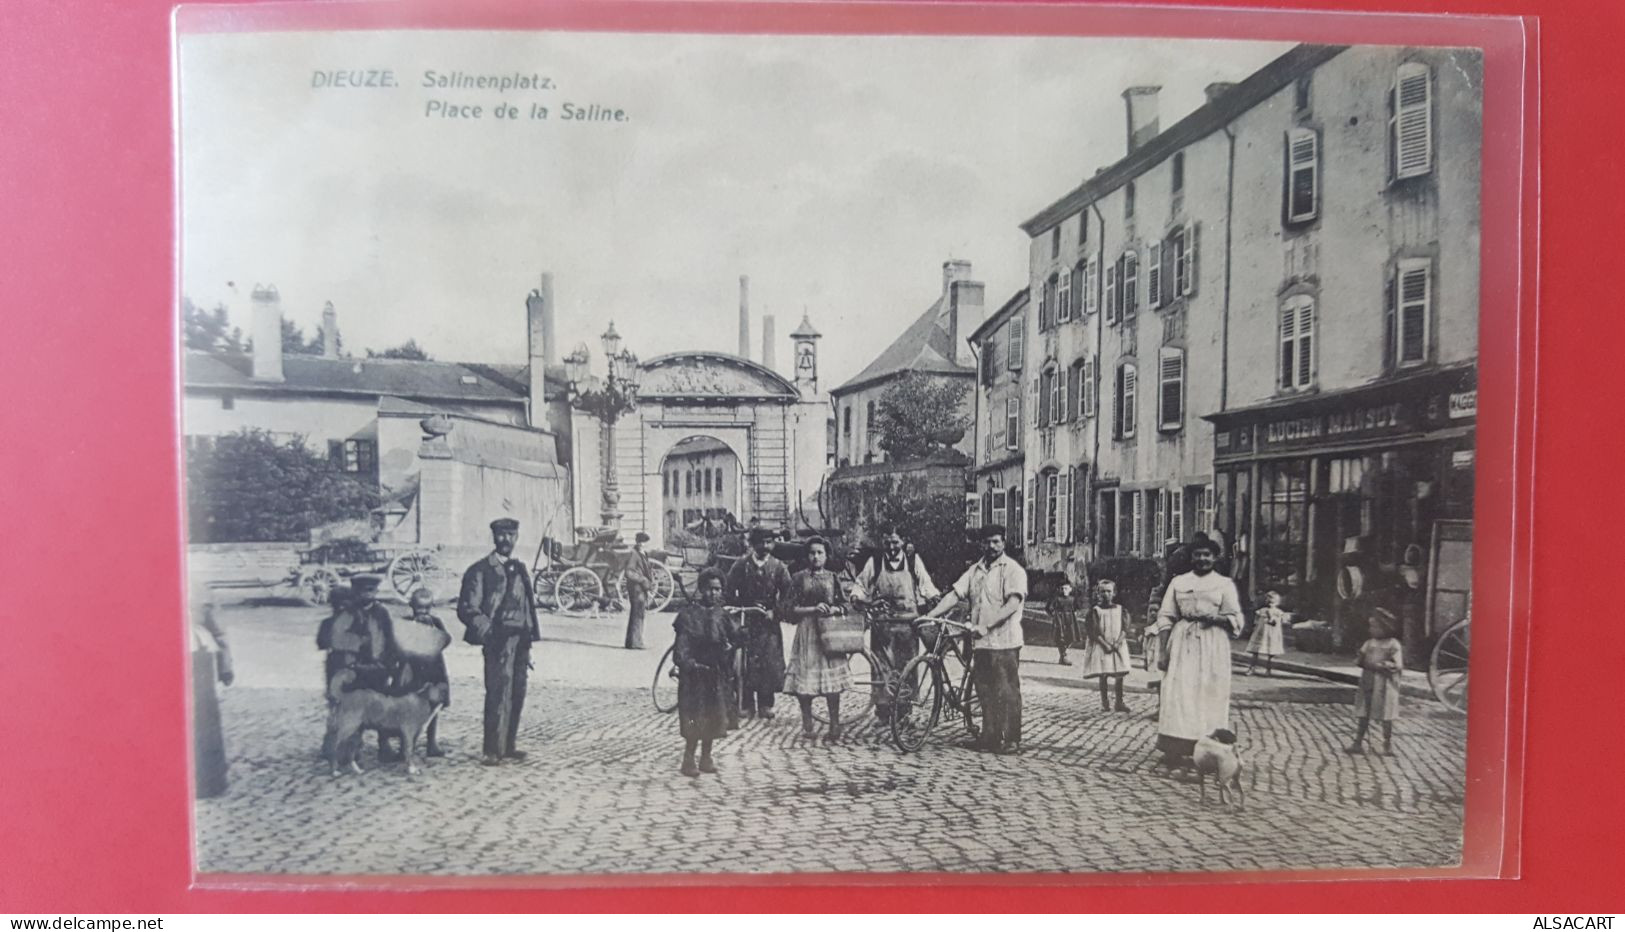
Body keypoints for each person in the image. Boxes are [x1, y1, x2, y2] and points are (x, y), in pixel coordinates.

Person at [922, 524, 1028, 755]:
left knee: (1007, 690)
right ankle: (989, 737)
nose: (991, 546)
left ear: (1004, 543)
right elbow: (955, 594)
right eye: (987, 542)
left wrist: (987, 625)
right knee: (984, 689)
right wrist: (930, 615)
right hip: (980, 642)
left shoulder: (1013, 570)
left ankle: (1012, 740)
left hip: (1004, 642)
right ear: (981, 544)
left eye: (996, 542)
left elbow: (1012, 604)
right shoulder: (975, 570)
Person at [1151, 536, 1243, 769]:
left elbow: (1236, 618)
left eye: (1207, 555)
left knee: (1209, 694)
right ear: (1191, 557)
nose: (1202, 559)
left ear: (1214, 557)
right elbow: (1165, 616)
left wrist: (1218, 618)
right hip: (1183, 641)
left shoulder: (1224, 584)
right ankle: (1174, 749)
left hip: (1214, 644)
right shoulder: (1179, 582)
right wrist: (1163, 651)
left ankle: (1207, 751)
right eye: (1197, 555)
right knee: (1179, 694)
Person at [457, 517, 542, 766]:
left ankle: (509, 746)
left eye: (511, 535)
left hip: (520, 641)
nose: (506, 540)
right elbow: (467, 608)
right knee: (498, 693)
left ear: (516, 538)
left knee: (517, 693)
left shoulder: (520, 568)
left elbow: (528, 607)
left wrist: (529, 642)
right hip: (497, 641)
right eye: (501, 535)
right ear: (494, 538)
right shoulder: (480, 570)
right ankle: (492, 750)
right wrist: (488, 633)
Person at [850, 528, 939, 721]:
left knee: (907, 666)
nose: (891, 547)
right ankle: (883, 710)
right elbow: (861, 584)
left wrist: (934, 597)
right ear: (883, 542)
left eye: (895, 542)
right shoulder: (874, 562)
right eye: (888, 542)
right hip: (882, 625)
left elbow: (926, 583)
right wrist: (859, 598)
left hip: (908, 624)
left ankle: (904, 710)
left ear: (903, 542)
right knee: (881, 667)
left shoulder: (913, 561)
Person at [781, 536, 852, 741]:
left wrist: (834, 609)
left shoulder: (832, 577)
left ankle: (835, 725)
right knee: (806, 681)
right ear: (807, 556)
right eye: (812, 553)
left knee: (832, 684)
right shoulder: (798, 578)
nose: (816, 557)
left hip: (829, 633)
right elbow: (788, 609)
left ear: (826, 556)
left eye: (820, 553)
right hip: (807, 631)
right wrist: (812, 609)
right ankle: (807, 724)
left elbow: (843, 605)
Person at [673, 569, 743, 776]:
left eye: (718, 589)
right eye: (709, 589)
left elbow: (738, 636)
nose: (714, 594)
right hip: (694, 676)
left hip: (716, 674)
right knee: (695, 716)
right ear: (701, 590)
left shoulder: (723, 615)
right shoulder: (688, 615)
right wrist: (689, 665)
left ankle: (706, 757)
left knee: (714, 716)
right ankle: (688, 759)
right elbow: (681, 649)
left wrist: (733, 645)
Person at [327, 574, 402, 762]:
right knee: (355, 707)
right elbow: (337, 639)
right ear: (356, 592)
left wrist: (393, 661)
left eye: (371, 591)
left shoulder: (382, 612)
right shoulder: (348, 614)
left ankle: (383, 746)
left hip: (378, 668)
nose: (368, 595)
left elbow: (390, 638)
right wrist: (359, 646)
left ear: (376, 592)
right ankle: (352, 747)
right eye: (363, 591)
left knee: (382, 706)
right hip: (356, 669)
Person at [724, 526, 793, 721]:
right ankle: (746, 703)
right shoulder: (741, 565)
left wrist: (776, 611)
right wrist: (737, 608)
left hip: (768, 622)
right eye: (761, 542)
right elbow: (729, 591)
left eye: (769, 542)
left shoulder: (779, 567)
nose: (765, 546)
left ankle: (765, 703)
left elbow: (788, 596)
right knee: (744, 662)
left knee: (768, 662)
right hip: (747, 620)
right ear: (753, 544)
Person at [393, 588, 451, 758]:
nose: (423, 612)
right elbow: (399, 643)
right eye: (419, 609)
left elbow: (444, 640)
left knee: (434, 703)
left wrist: (431, 628)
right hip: (411, 670)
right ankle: (404, 745)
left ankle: (431, 742)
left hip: (433, 670)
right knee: (408, 706)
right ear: (411, 606)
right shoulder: (405, 622)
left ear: (432, 607)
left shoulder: (436, 622)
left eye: (426, 609)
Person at [190, 582, 234, 798]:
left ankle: (208, 780)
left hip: (197, 655)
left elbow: (218, 632)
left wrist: (225, 667)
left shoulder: (200, 590)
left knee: (203, 716)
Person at [1347, 608, 1404, 756]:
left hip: (1384, 683)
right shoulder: (1369, 643)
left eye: (1375, 627)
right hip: (1368, 679)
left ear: (1385, 627)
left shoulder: (1393, 644)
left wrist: (1386, 665)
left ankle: (1387, 744)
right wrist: (1360, 660)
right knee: (1364, 712)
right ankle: (1357, 742)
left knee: (1386, 714)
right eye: (1371, 626)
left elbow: (1397, 664)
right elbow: (1360, 658)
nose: (1371, 630)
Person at [1081, 579, 1133, 712]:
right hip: (1102, 645)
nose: (1106, 594)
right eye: (1102, 591)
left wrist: (1118, 642)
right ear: (1098, 593)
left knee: (1119, 673)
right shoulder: (1095, 611)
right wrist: (1105, 644)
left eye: (1109, 591)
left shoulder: (1120, 609)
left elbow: (1124, 628)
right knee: (1103, 673)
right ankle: (1105, 702)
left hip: (1117, 645)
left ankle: (1119, 702)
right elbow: (1094, 630)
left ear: (1114, 593)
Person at [623, 531, 656, 650]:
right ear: (638, 543)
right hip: (636, 588)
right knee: (637, 615)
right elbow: (629, 572)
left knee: (638, 614)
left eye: (645, 543)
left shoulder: (643, 554)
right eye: (641, 543)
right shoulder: (634, 554)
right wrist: (642, 580)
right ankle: (636, 642)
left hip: (641, 588)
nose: (643, 545)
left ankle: (632, 641)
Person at [1245, 590, 1289, 676]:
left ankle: (1268, 670)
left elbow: (1277, 623)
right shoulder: (1262, 610)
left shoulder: (1278, 612)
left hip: (1271, 634)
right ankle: (1252, 668)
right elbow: (1256, 621)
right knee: (1255, 651)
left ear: (1277, 603)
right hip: (1261, 633)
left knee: (1270, 653)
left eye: (1273, 602)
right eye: (1268, 601)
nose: (1270, 604)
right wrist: (1255, 626)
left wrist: (1272, 618)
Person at [1046, 578, 1082, 666]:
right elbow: (1048, 608)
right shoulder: (1057, 599)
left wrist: (1075, 613)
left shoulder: (1072, 599)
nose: (1064, 590)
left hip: (1070, 619)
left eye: (1066, 588)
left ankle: (1063, 653)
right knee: (1060, 637)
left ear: (1070, 589)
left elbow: (1078, 607)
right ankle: (1063, 655)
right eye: (1062, 588)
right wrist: (1054, 615)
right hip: (1060, 620)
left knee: (1070, 636)